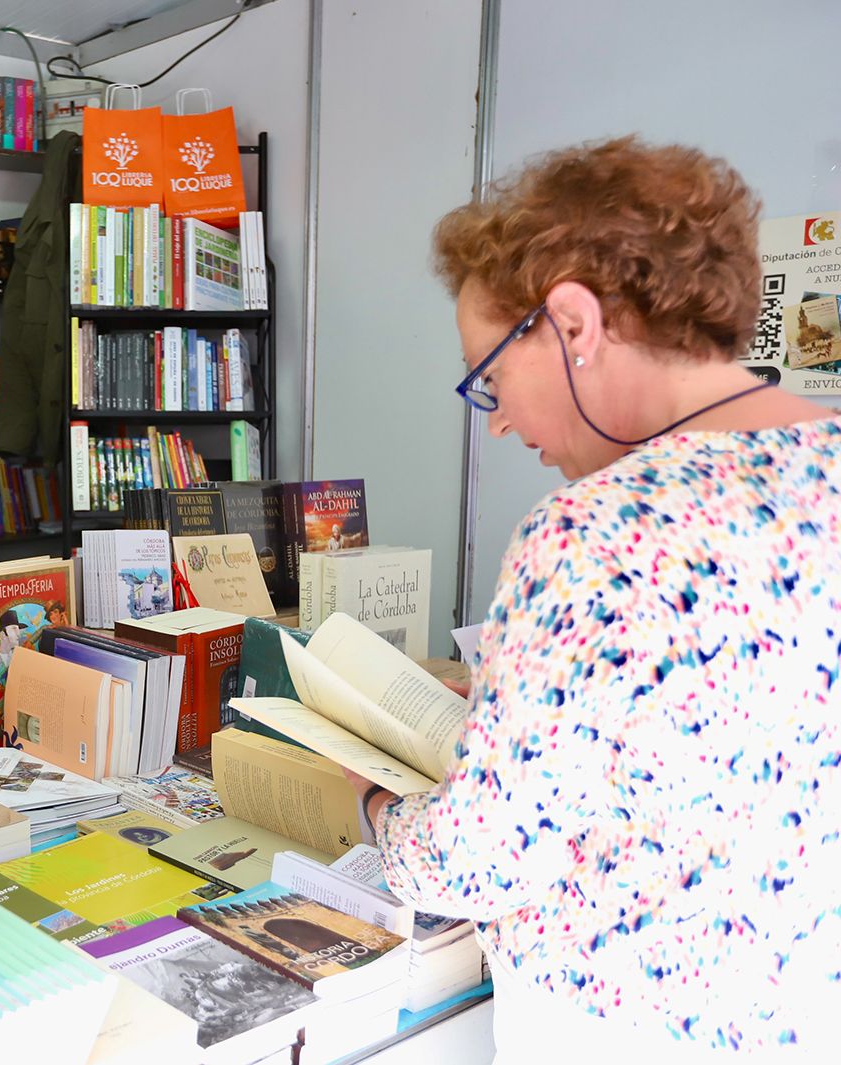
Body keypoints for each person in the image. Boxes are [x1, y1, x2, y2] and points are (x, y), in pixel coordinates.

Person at [345, 137, 840, 1061]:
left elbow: (480, 858)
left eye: (489, 375)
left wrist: (377, 807)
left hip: (625, 1025)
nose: (495, 418)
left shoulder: (594, 530)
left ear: (571, 322)